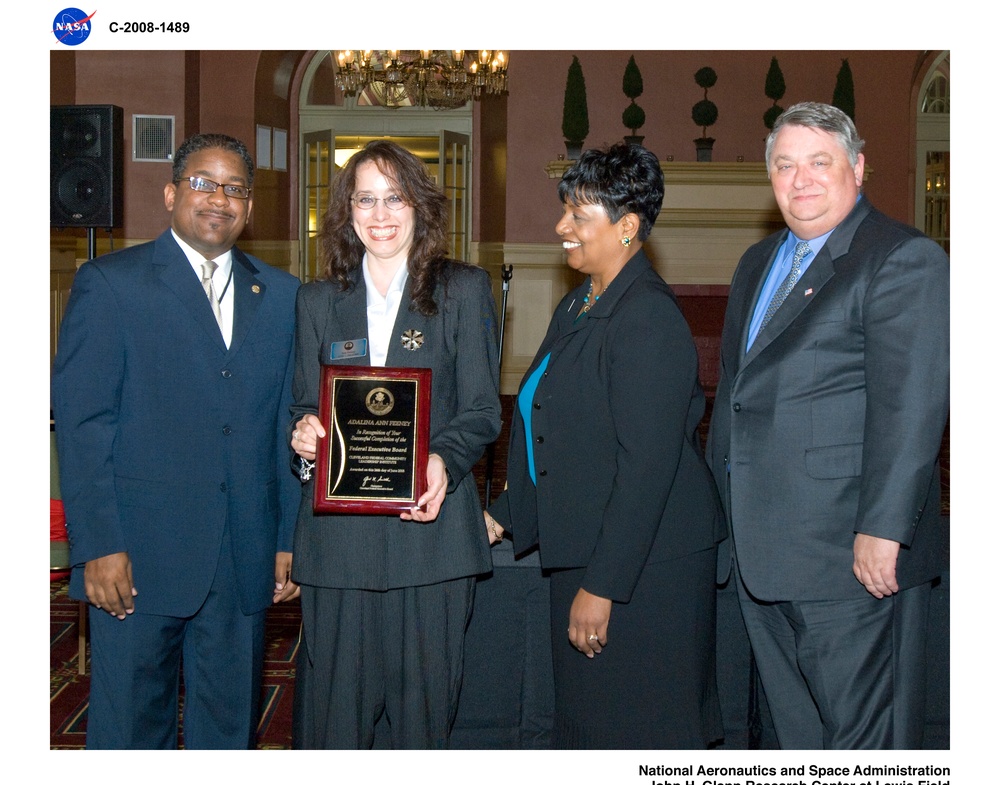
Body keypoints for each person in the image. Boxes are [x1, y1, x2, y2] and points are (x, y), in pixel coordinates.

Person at [706, 102, 950, 749]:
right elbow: (735, 397)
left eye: (820, 161)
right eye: (785, 165)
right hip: (764, 554)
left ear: (858, 168)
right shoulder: (757, 262)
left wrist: (883, 529)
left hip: (850, 558)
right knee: (799, 744)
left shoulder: (901, 257)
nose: (801, 179)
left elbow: (911, 408)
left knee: (864, 753)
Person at [51, 133, 302, 749]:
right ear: (170, 194)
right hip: (137, 555)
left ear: (249, 205)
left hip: (243, 554)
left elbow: (285, 425)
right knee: (131, 732)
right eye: (202, 183)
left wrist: (286, 539)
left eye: (234, 188)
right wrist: (98, 545)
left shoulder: (282, 296)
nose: (219, 199)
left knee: (228, 732)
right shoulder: (111, 283)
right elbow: (84, 427)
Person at [484, 143, 725, 749]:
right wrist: (505, 515)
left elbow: (647, 469)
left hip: (645, 569)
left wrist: (603, 586)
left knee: (637, 733)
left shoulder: (647, 318)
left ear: (626, 227)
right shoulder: (581, 300)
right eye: (564, 210)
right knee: (590, 728)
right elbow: (555, 428)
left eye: (577, 215)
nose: (560, 226)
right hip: (589, 544)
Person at [289, 140, 501, 749]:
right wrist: (303, 436)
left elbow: (483, 409)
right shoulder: (317, 300)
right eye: (366, 200)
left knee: (422, 724)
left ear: (419, 206)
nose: (380, 215)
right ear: (347, 211)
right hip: (339, 547)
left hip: (431, 541)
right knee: (336, 724)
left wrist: (443, 459)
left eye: (395, 198)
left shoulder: (462, 289)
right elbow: (303, 405)